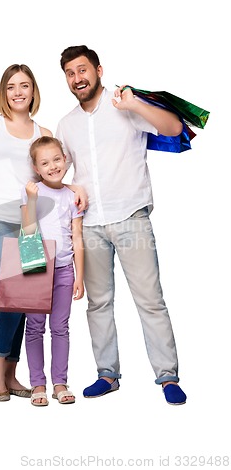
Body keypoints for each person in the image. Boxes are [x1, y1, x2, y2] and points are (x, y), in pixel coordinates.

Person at [56, 45, 187, 405]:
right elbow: (58, 171)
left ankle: (168, 377)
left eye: (82, 70)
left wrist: (135, 105)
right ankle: (107, 375)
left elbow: (174, 127)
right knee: (98, 303)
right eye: (70, 73)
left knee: (150, 301)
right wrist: (68, 188)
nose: (77, 78)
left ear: (98, 70)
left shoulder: (126, 106)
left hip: (132, 218)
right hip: (90, 225)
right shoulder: (66, 125)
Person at [0, 64, 86, 402]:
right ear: (4, 92)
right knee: (19, 291)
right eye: (12, 86)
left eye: (25, 86)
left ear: (33, 91)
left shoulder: (42, 130)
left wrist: (74, 186)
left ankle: (12, 369)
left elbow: (53, 172)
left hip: (34, 223)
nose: (18, 92)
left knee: (28, 298)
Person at [21, 136, 84, 406]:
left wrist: (79, 275)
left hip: (64, 270)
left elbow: (78, 236)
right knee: (35, 327)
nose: (53, 166)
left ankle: (60, 381)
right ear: (36, 168)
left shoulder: (73, 196)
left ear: (65, 160)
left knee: (60, 327)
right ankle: (38, 383)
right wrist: (32, 200)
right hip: (35, 266)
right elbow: (27, 230)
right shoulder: (32, 191)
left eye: (57, 159)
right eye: (45, 163)